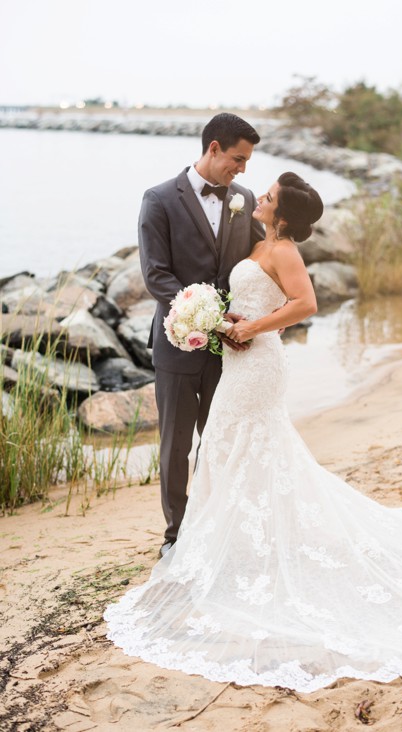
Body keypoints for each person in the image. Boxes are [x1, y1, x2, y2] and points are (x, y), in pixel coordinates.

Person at [105, 173, 402, 692]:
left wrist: (247, 328)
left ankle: (239, 546)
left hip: (257, 363)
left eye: (267, 198)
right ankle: (230, 540)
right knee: (232, 447)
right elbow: (265, 301)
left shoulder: (282, 249)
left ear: (281, 215)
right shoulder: (263, 241)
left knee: (240, 445)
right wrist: (223, 319)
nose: (256, 197)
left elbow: (304, 305)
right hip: (244, 360)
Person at [139, 113, 264, 557]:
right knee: (175, 445)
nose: (242, 169)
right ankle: (176, 534)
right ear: (213, 148)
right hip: (176, 344)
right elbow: (156, 276)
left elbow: (261, 260)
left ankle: (217, 527)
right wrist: (209, 315)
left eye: (247, 161)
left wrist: (271, 309)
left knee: (220, 439)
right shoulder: (158, 200)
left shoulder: (245, 199)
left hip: (230, 349)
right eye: (237, 159)